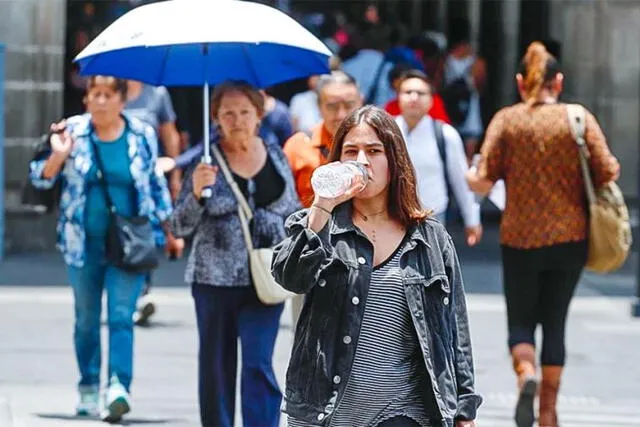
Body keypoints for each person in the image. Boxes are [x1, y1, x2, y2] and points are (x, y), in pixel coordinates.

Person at [272, 105, 481, 427]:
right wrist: (322, 207)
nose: (362, 162)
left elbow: (455, 326)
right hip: (326, 411)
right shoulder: (319, 224)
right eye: (351, 151)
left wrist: (464, 409)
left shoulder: (429, 237)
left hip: (404, 409)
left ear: (394, 160)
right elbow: (290, 277)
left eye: (374, 151)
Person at [466, 42, 620, 427]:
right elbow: (608, 171)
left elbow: (484, 180)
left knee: (520, 320)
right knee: (555, 320)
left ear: (521, 82)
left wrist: (470, 177)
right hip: (570, 237)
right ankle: (549, 410)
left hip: (519, 237)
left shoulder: (507, 120)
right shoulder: (578, 118)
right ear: (559, 81)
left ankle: (525, 374)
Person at [29, 76, 175, 423]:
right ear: (86, 99)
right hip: (82, 244)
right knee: (86, 320)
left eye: (109, 95)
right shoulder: (71, 133)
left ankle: (118, 388)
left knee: (122, 317)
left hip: (128, 245)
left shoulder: (141, 135)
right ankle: (88, 385)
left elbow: (154, 186)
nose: (102, 102)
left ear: (122, 101)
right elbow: (40, 178)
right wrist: (58, 156)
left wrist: (169, 229)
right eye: (95, 94)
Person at [170, 80, 300, 427]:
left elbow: (294, 212)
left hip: (266, 278)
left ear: (259, 114)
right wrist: (197, 194)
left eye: (245, 112)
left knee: (259, 362)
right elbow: (179, 224)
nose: (237, 120)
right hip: (213, 280)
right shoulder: (205, 161)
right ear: (216, 118)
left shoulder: (274, 155)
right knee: (216, 366)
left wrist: (269, 221)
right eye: (228, 113)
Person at [282, 71, 363, 327]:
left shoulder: (374, 148)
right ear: (318, 107)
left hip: (364, 254)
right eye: (332, 106)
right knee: (306, 340)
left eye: (349, 105)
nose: (341, 114)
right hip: (312, 254)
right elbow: (283, 204)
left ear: (361, 102)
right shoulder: (298, 146)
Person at [395, 69, 482, 246]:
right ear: (398, 97)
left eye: (420, 93)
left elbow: (461, 179)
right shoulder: (386, 131)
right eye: (408, 92)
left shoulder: (445, 134)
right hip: (392, 216)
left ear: (431, 100)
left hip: (433, 217)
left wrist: (472, 219)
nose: (414, 97)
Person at [125, 80, 185, 326]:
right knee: (119, 238)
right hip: (117, 180)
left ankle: (141, 293)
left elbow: (169, 133)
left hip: (147, 181)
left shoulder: (157, 93)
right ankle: (126, 296)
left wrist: (175, 172)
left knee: (145, 236)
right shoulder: (111, 89)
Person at [442, 18, 487, 162]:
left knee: (449, 154)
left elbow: (439, 84)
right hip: (470, 114)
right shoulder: (476, 62)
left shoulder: (444, 60)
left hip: (449, 111)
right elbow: (481, 87)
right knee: (468, 156)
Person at [384, 63, 451, 123]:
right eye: (406, 91)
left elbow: (442, 124)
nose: (413, 97)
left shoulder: (434, 101)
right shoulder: (390, 107)